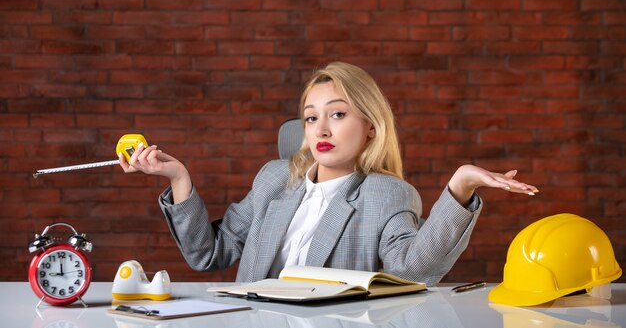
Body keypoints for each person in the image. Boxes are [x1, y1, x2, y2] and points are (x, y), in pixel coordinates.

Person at [119, 62, 538, 285]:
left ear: (371, 125)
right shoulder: (274, 179)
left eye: (337, 114)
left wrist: (460, 186)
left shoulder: (387, 195)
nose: (321, 129)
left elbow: (413, 270)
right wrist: (178, 178)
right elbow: (208, 254)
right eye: (310, 117)